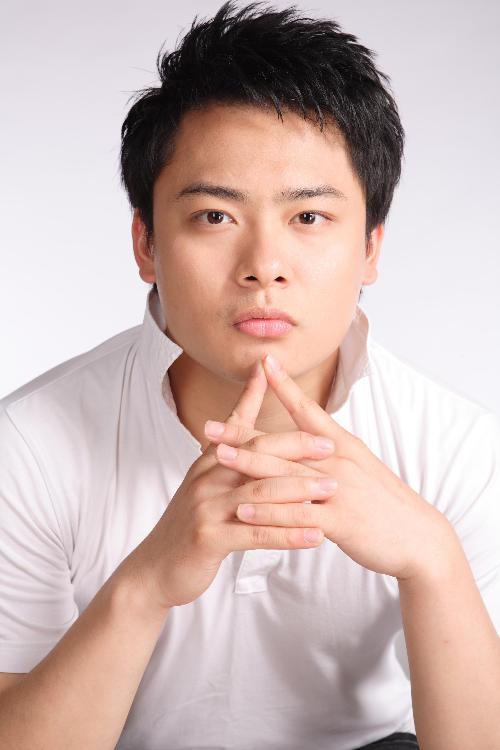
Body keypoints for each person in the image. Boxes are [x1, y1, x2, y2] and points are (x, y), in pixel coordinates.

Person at [0, 1, 499, 748]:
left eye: (308, 218)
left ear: (370, 247)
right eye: (215, 216)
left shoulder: (459, 447)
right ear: (146, 244)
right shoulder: (29, 444)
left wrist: (432, 558)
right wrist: (146, 583)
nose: (264, 266)